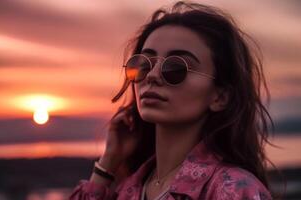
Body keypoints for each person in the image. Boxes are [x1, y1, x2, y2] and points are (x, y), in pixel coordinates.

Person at [69, 1, 274, 199]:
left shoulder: (233, 190)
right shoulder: (129, 189)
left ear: (220, 97)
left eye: (175, 68)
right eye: (144, 65)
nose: (152, 75)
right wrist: (108, 163)